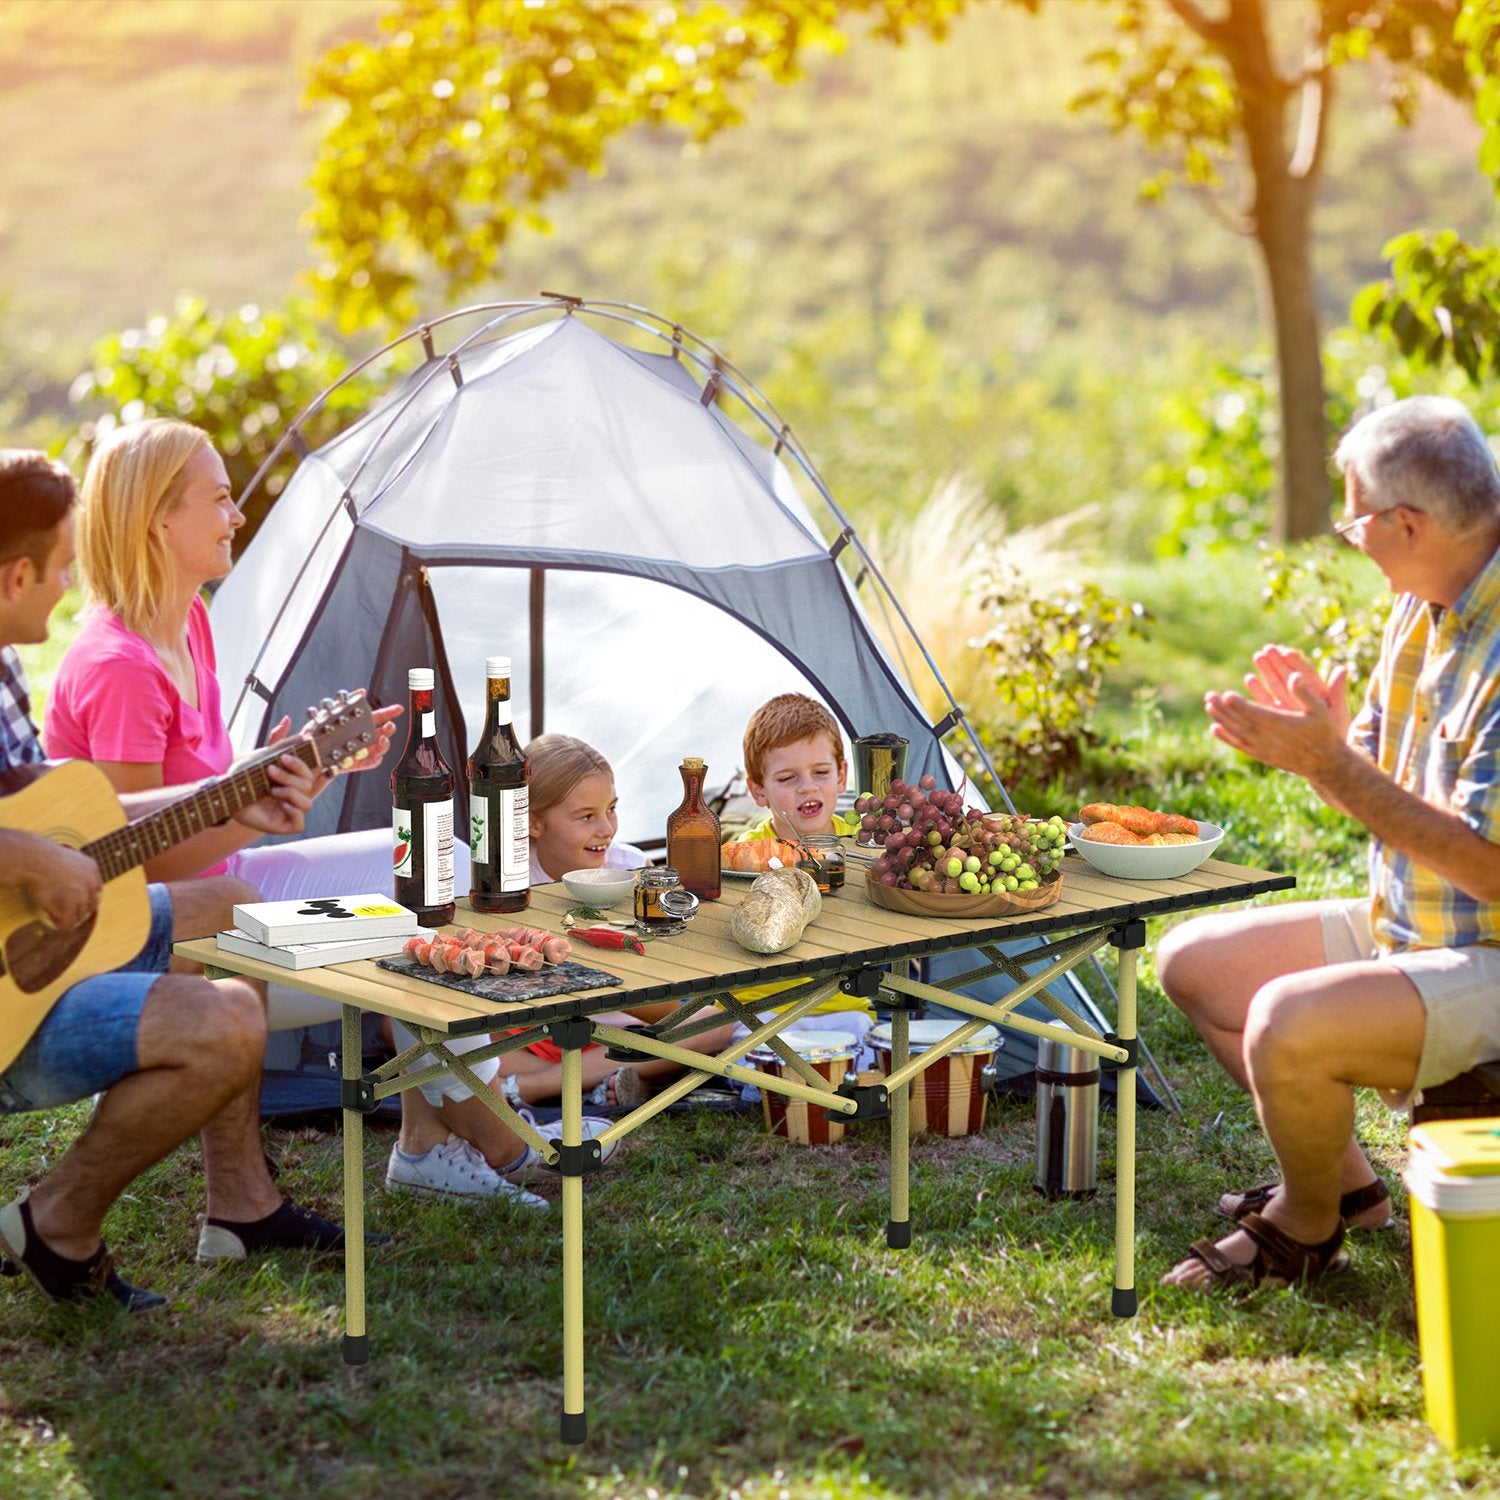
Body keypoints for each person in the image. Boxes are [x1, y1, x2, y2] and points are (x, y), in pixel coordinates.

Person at [47, 419, 587, 1209]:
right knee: (409, 921)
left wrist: (297, 765)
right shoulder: (118, 668)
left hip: (234, 881)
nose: (237, 516)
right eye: (222, 500)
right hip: (163, 933)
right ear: (161, 519)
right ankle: (481, 1129)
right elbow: (135, 863)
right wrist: (257, 807)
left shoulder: (187, 621)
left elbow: (204, 800)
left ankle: (431, 1139)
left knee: (429, 859)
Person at [0, 448, 357, 1313]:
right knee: (227, 1019)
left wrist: (237, 804)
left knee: (229, 907)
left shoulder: (4, 666)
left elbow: (74, 816)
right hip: (11, 999)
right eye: (60, 571)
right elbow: (36, 843)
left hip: (34, 943)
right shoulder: (100, 657)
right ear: (16, 576)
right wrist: (28, 856)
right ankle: (57, 1220)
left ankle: (242, 1205)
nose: (70, 588)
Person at [1156, 395, 1500, 1292]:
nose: (1350, 539)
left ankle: (1302, 1231)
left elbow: (1493, 869)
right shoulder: (1425, 604)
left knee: (1286, 1023)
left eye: (1355, 521)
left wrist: (1331, 765)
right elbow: (1385, 794)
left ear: (1407, 523)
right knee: (1195, 964)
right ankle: (1348, 1194)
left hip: (1490, 946)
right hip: (1417, 922)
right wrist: (1327, 747)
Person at [387, 735, 736, 1177]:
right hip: (525, 1028)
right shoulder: (500, 879)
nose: (606, 828)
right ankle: (595, 1082)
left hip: (603, 1021)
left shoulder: (626, 868)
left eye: (611, 808)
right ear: (533, 822)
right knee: (433, 1026)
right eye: (586, 816)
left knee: (717, 1024)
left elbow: (650, 978)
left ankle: (533, 1090)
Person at [727, 693, 875, 1048]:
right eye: (788, 777)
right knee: (754, 1040)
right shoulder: (742, 858)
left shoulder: (861, 846)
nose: (807, 786)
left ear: (841, 775)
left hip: (842, 1006)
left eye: (820, 773)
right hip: (756, 1009)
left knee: (864, 1040)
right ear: (758, 790)